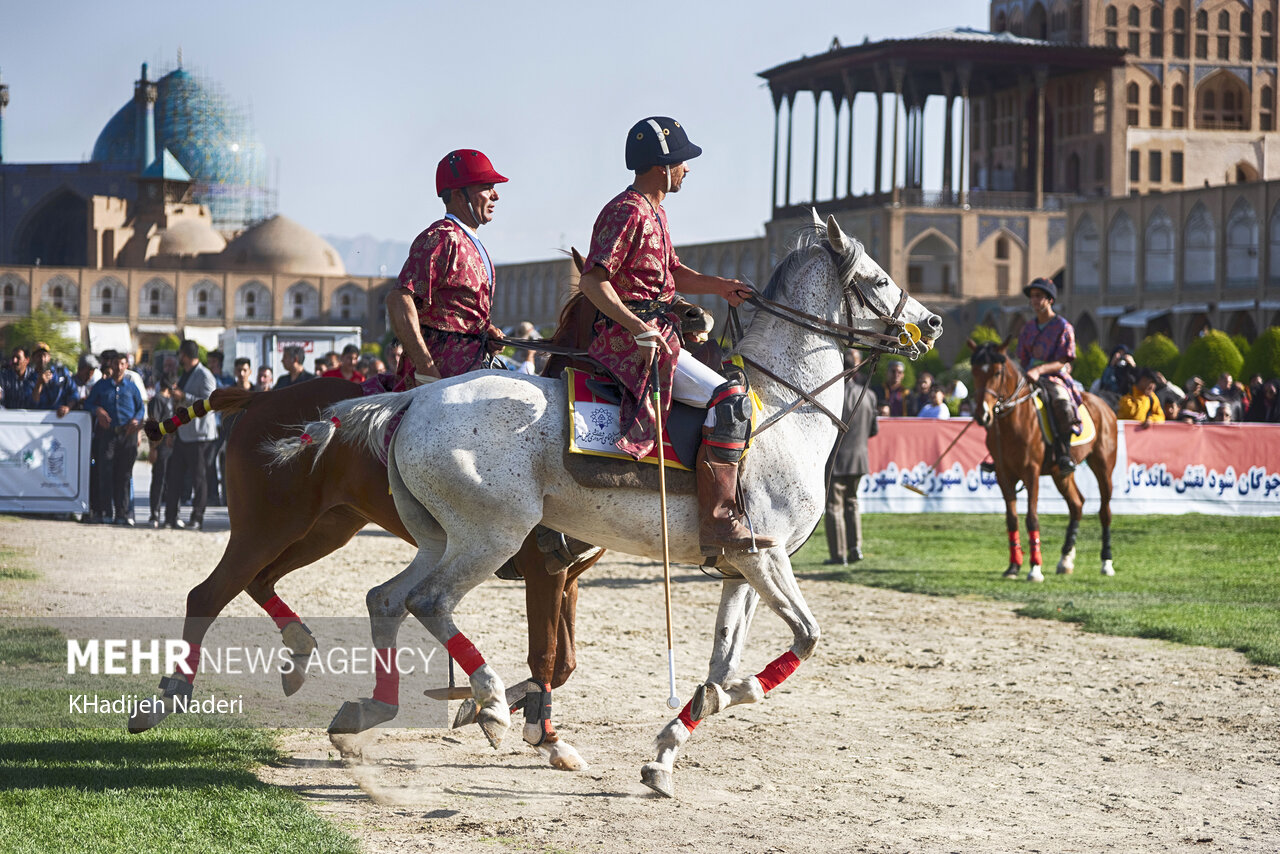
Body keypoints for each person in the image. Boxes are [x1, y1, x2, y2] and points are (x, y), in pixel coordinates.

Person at [577, 116, 775, 555]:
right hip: (633, 342)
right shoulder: (625, 211)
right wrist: (636, 326)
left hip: (661, 332)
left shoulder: (656, 212)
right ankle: (719, 522)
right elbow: (594, 281)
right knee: (729, 400)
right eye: (682, 161)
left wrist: (719, 286)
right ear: (662, 165)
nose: (687, 169)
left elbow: (674, 274)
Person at [386, 149, 509, 386]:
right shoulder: (442, 238)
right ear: (459, 195)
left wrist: (485, 330)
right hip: (441, 377)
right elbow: (399, 299)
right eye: (486, 187)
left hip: (471, 369)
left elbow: (452, 311)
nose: (495, 196)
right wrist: (426, 367)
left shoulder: (470, 240)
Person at [1016, 277, 1080, 473]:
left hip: (1055, 376)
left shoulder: (1063, 327)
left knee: (1061, 401)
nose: (1034, 301)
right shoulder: (1028, 328)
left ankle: (1064, 454)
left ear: (1050, 299)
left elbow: (1064, 360)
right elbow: (1022, 357)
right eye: (1032, 297)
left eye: (1039, 296)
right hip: (1028, 376)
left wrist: (1039, 370)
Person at [824, 350, 878, 565]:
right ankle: (855, 548)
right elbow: (873, 430)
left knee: (834, 508)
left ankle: (839, 555)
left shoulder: (833, 393)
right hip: (859, 458)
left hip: (836, 459)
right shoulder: (869, 394)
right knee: (852, 504)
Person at [84, 350, 145, 525]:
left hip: (127, 435)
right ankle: (105, 512)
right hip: (108, 435)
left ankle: (123, 514)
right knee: (106, 473)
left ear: (126, 366)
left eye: (122, 364)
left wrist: (136, 420)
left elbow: (141, 408)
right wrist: (98, 410)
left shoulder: (132, 387)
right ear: (111, 365)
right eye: (116, 364)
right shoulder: (101, 386)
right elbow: (89, 403)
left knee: (124, 475)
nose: (118, 367)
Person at [165, 340, 217, 530]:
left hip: (200, 437)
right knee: (174, 477)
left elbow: (209, 404)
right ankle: (170, 518)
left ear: (184, 355)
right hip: (182, 433)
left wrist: (184, 397)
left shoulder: (205, 375)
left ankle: (197, 518)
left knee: (199, 479)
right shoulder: (184, 375)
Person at [147, 374, 177, 527]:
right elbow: (153, 425)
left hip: (172, 446)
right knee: (158, 480)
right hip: (161, 445)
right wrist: (153, 448)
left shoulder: (172, 400)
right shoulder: (157, 400)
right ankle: (154, 513)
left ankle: (170, 516)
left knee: (171, 481)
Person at [25, 344, 78, 416]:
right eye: (38, 356)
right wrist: (39, 383)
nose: (42, 359)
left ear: (49, 357)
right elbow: (32, 404)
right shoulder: (30, 379)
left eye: (44, 355)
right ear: (33, 358)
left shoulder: (61, 373)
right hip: (39, 420)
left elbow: (74, 393)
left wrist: (68, 407)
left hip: (61, 419)